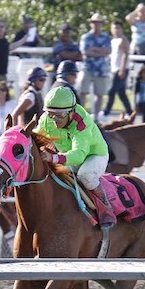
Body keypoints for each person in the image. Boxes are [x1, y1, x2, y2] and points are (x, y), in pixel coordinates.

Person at [35, 86, 115, 227]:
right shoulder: (46, 120)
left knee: (85, 175)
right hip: (67, 156)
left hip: (94, 155)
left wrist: (53, 158)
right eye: (50, 114)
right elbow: (36, 138)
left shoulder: (81, 123)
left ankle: (106, 208)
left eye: (60, 115)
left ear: (71, 112)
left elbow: (78, 155)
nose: (54, 120)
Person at [0, 19, 27, 102]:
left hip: (2, 74)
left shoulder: (4, 41)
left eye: (1, 27)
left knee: (3, 98)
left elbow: (11, 47)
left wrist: (24, 39)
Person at [79, 13, 112, 122]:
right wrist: (99, 51)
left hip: (101, 70)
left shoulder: (106, 37)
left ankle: (96, 117)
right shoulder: (86, 37)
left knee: (100, 94)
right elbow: (85, 52)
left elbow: (108, 51)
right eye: (94, 23)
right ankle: (81, 116)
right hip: (88, 68)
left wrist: (95, 50)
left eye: (98, 23)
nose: (96, 25)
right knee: (83, 92)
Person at [103, 21, 132, 118]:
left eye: (118, 28)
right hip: (114, 68)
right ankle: (130, 112)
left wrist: (122, 69)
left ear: (121, 29)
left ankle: (106, 112)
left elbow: (125, 54)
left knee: (111, 91)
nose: (116, 30)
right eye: (114, 28)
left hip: (121, 69)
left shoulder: (122, 40)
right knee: (121, 93)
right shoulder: (113, 40)